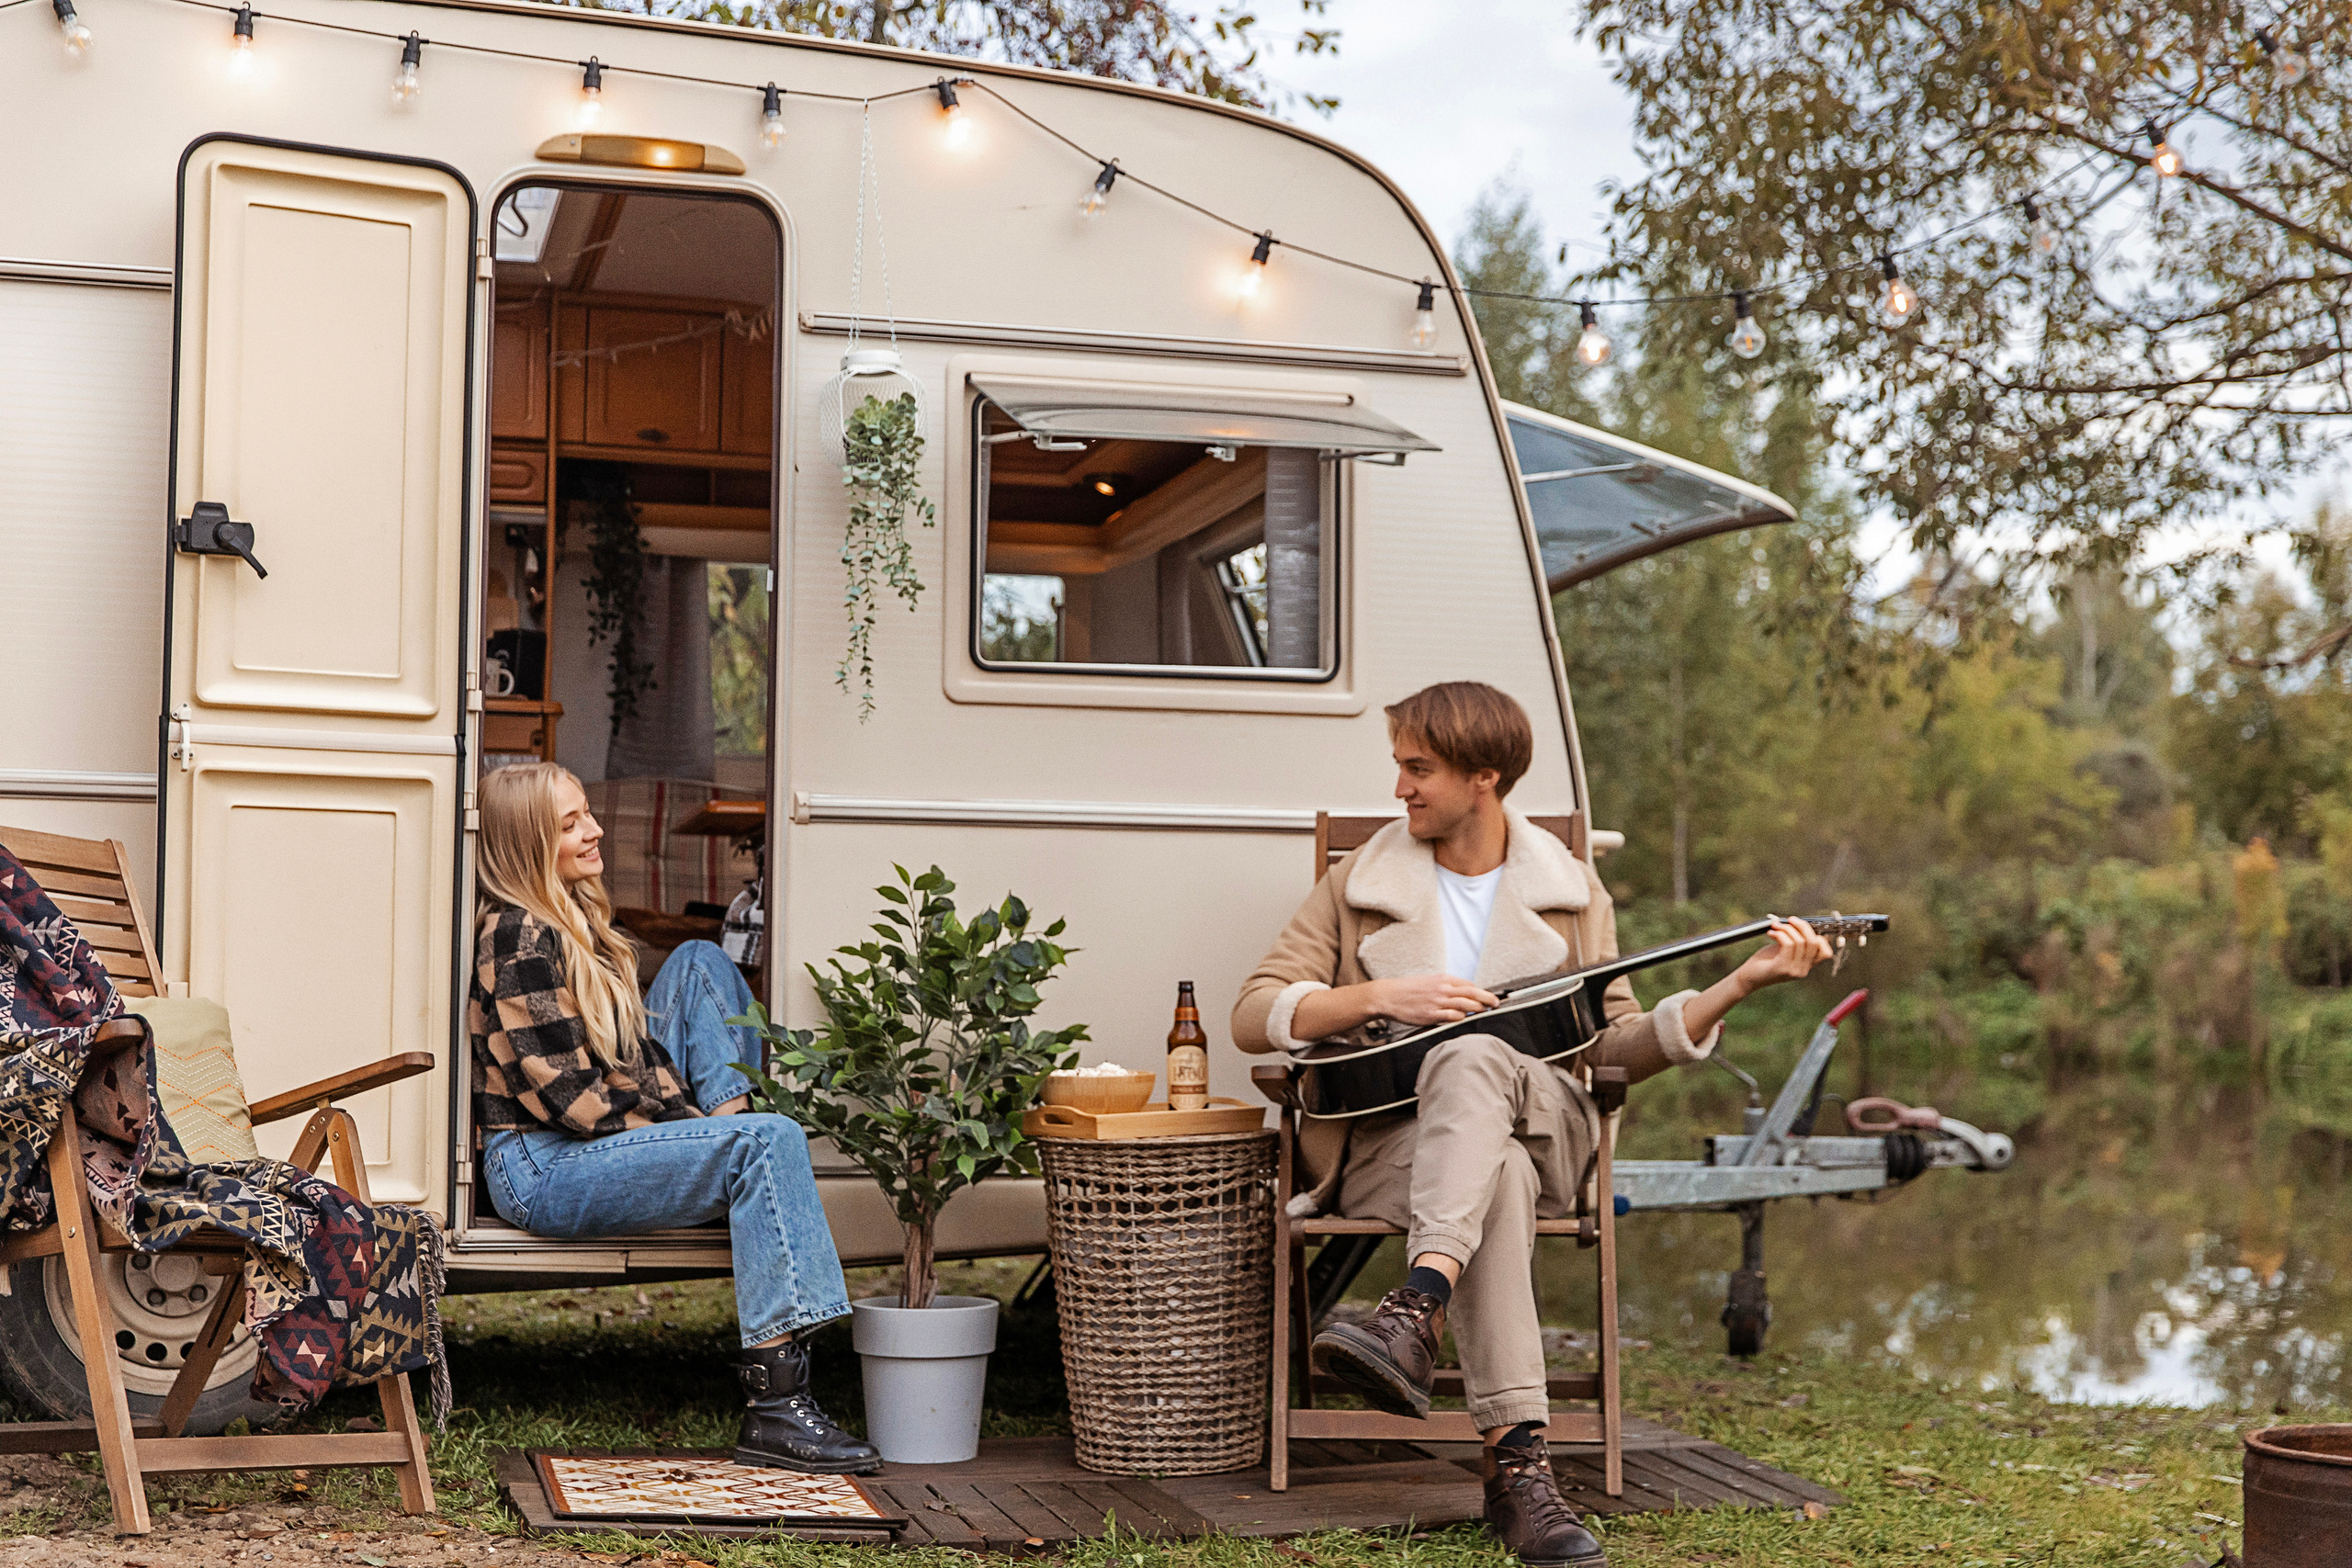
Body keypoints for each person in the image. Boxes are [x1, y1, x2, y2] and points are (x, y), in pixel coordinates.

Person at [1232, 683, 1832, 1568]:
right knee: (1495, 1175)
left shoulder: (1568, 889)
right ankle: (1518, 1470)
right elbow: (1253, 1014)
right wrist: (1379, 994)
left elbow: (1617, 1035)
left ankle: (1414, 1305)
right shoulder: (1358, 883)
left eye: (1417, 768)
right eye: (1400, 765)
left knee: (1473, 1058)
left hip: (1546, 1122)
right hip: (1389, 1150)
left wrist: (1739, 984)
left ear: (1484, 778)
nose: (1399, 787)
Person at [468, 761, 878, 1476]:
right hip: (540, 1164)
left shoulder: (572, 920)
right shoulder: (517, 934)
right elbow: (577, 1103)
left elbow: (641, 1059)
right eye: (570, 825)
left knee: (698, 960)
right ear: (529, 843)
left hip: (574, 1141)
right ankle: (777, 1409)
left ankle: (739, 1162)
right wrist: (703, 1139)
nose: (594, 830)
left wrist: (705, 1130)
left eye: (587, 812)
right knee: (765, 1142)